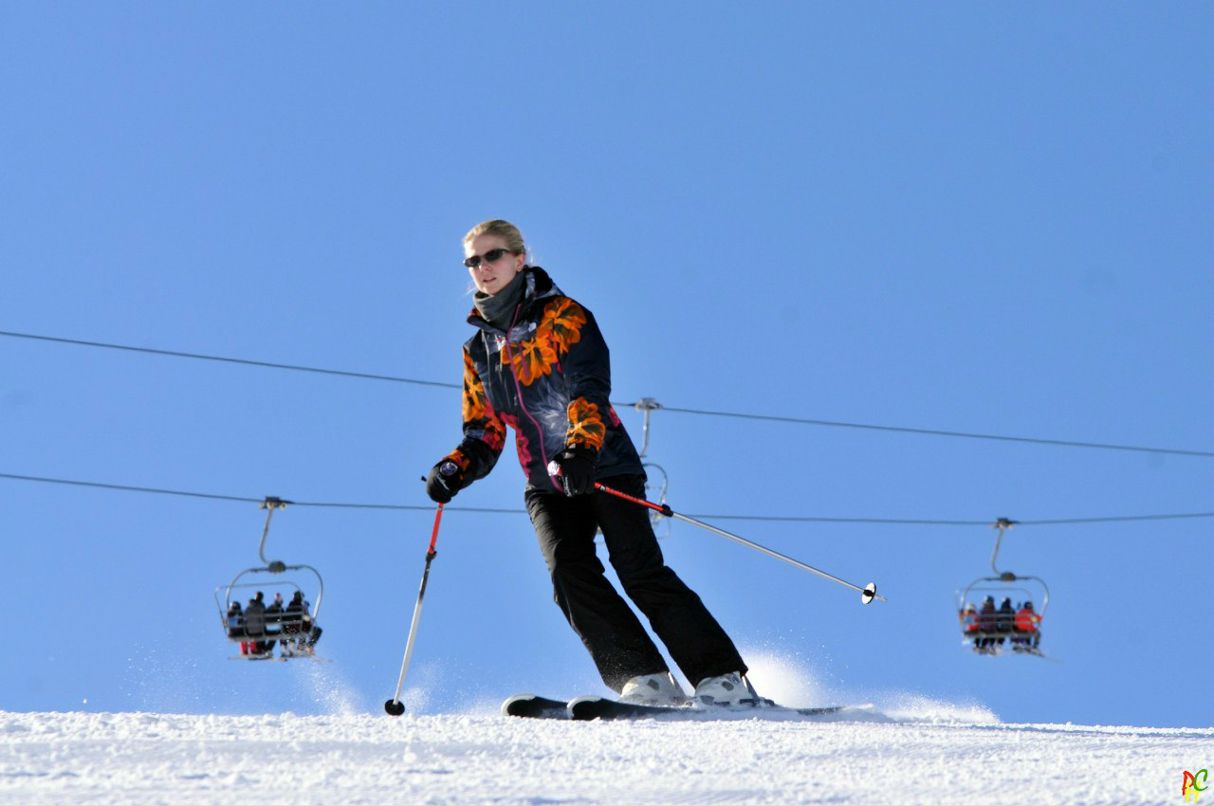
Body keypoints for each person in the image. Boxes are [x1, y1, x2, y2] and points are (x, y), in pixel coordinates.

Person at [424, 219, 752, 708]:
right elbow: (485, 433)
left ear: (519, 259)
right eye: (472, 261)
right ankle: (645, 678)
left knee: (638, 569)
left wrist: (581, 449)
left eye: (491, 256)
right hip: (545, 481)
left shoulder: (565, 315)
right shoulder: (478, 350)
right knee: (568, 574)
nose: (482, 269)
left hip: (601, 462)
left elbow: (587, 391)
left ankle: (722, 676)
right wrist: (455, 468)